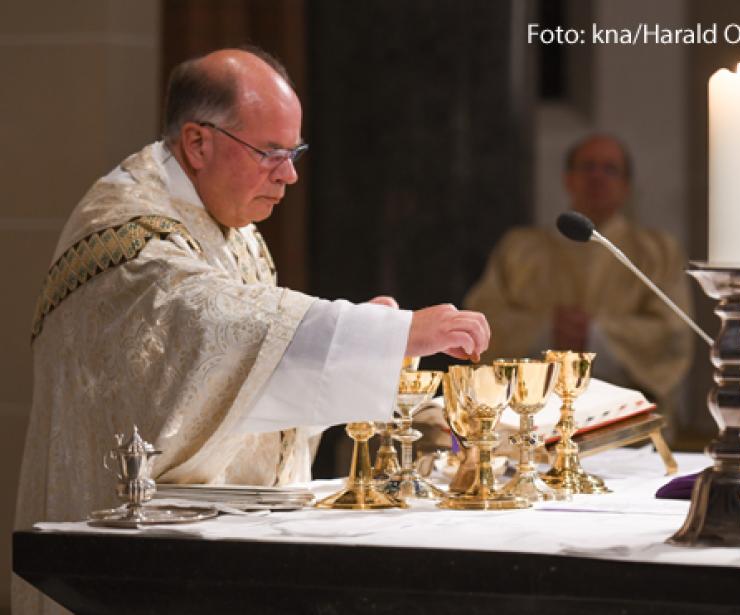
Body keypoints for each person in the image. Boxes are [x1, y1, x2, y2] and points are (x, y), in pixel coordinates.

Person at [13, 47, 489, 614]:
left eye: (295, 153)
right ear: (197, 143)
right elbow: (212, 328)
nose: (289, 175)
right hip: (124, 570)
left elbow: (249, 354)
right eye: (271, 153)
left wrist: (356, 338)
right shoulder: (130, 233)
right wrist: (391, 334)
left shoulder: (226, 221)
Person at [464, 134, 693, 404]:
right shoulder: (520, 248)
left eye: (610, 169)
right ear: (568, 179)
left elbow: (673, 334)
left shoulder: (657, 251)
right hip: (532, 409)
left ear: (626, 185)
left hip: (623, 411)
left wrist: (595, 334)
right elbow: (481, 318)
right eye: (587, 167)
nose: (597, 177)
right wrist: (546, 329)